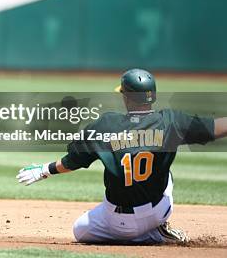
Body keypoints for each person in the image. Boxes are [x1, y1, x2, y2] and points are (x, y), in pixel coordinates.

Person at [17, 68, 227, 244]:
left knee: (79, 230)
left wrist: (43, 171)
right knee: (165, 170)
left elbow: (72, 161)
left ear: (127, 98)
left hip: (116, 221)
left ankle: (138, 236)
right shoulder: (172, 121)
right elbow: (216, 128)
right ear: (152, 96)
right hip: (157, 213)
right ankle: (156, 230)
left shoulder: (106, 125)